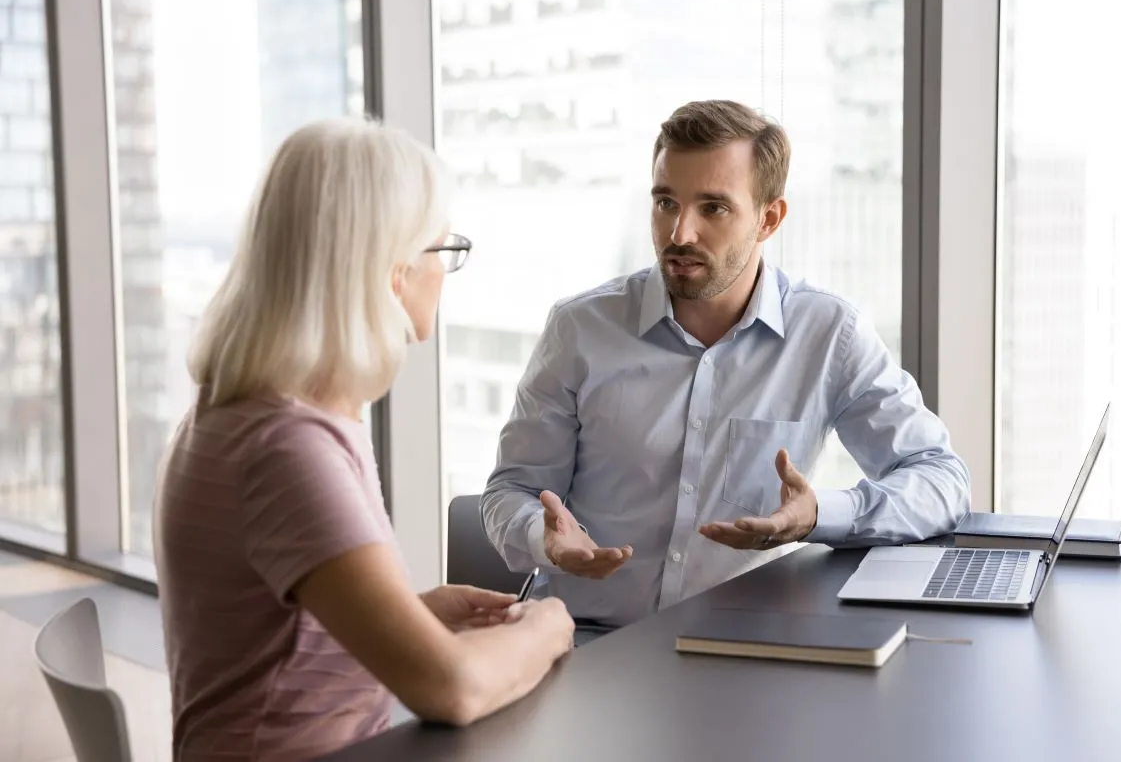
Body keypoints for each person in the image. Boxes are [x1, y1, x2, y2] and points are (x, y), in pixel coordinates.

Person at [153, 117, 574, 762]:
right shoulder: (287, 450)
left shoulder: (239, 414)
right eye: (442, 249)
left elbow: (275, 636)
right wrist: (549, 623)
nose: (445, 270)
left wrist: (413, 615)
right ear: (392, 271)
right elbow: (452, 687)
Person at [481, 100, 970, 629]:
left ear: (768, 219)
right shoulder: (580, 329)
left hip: (742, 650)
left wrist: (819, 516)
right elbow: (511, 491)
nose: (679, 233)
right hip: (586, 641)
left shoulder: (830, 334)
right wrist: (544, 538)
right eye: (665, 202)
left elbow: (940, 479)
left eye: (712, 208)